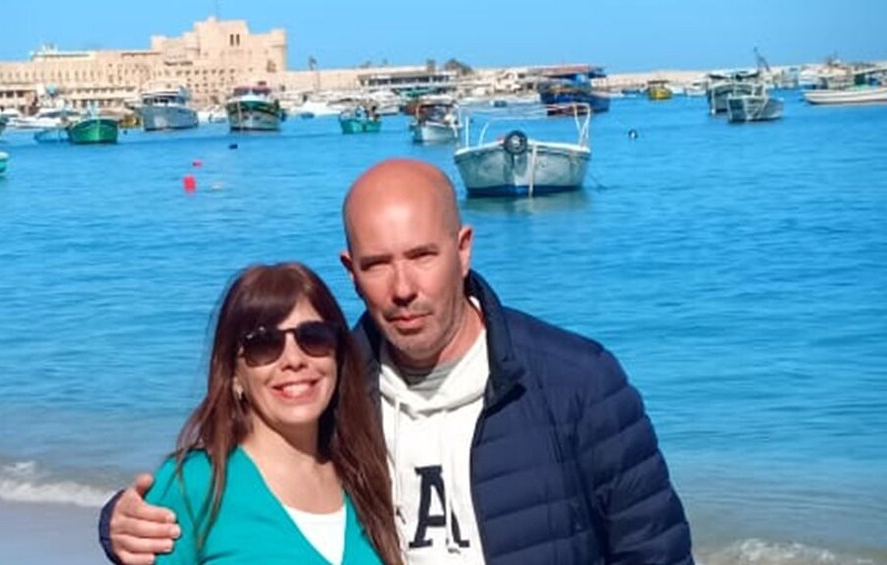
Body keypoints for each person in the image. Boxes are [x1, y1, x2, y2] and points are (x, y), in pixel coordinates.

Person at [100, 159, 693, 564]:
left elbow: (656, 553)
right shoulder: (334, 383)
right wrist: (120, 524)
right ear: (350, 270)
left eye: (422, 255)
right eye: (378, 263)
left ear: (463, 250)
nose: (403, 287)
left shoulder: (576, 383)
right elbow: (252, 490)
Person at [123, 262, 402, 565]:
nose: (293, 360)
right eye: (264, 344)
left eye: (314, 337)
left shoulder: (364, 476)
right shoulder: (195, 485)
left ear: (337, 354)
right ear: (234, 374)